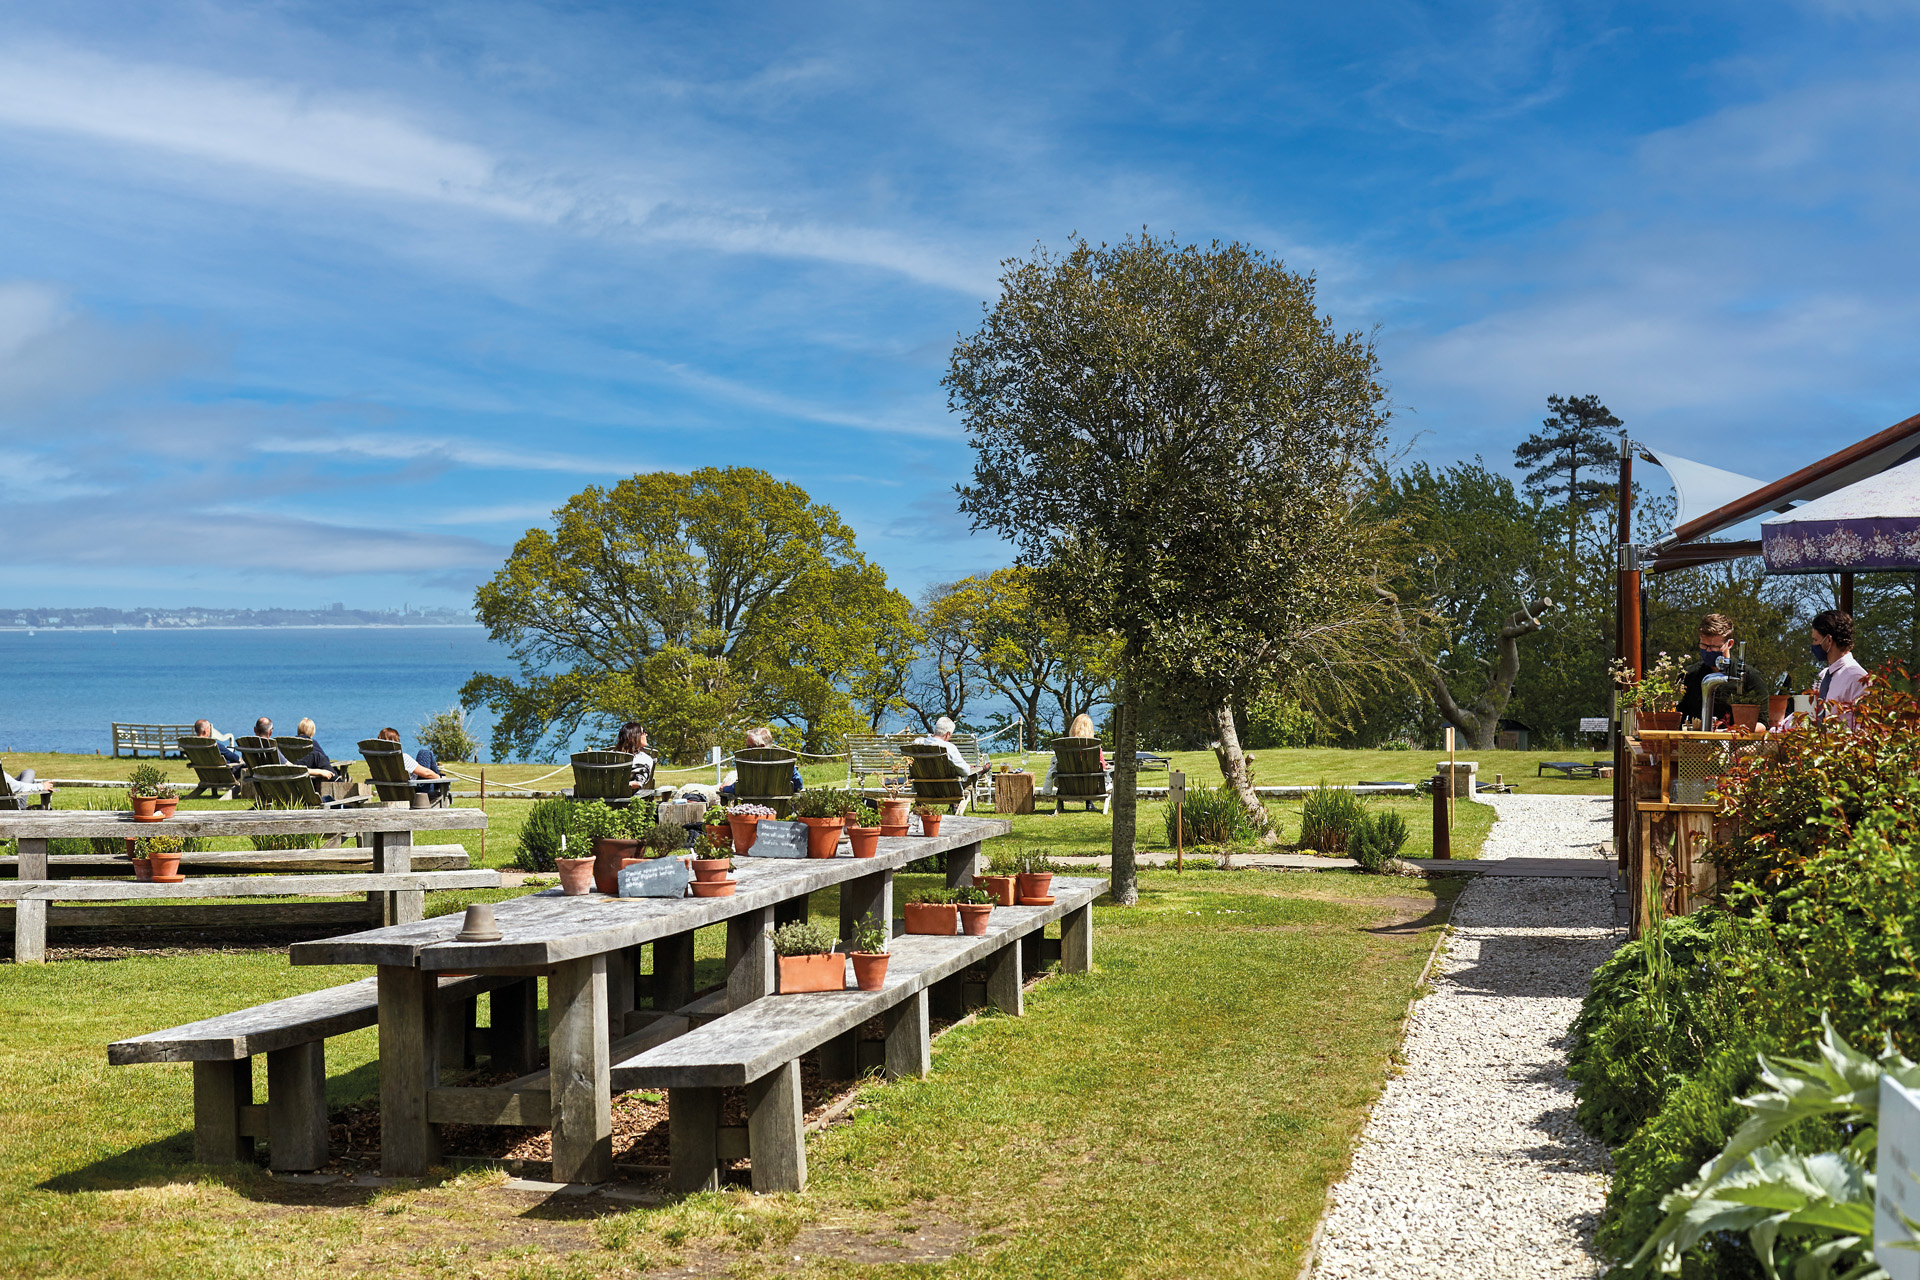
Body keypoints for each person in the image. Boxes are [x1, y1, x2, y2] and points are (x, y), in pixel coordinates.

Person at [1678, 613, 1764, 726]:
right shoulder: (1689, 675)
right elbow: (1676, 718)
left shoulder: (1750, 676)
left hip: (1734, 742)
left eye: (1714, 647)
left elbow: (1762, 723)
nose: (1708, 651)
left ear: (1730, 644)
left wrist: (1731, 731)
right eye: (1704, 645)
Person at [1810, 609, 1868, 724]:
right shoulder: (1823, 675)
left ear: (1829, 640)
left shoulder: (1857, 678)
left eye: (1816, 640)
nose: (1813, 645)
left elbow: (1862, 728)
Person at [718, 726, 802, 799]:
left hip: (751, 811)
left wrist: (724, 788)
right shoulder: (784, 762)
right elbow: (798, 784)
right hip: (781, 810)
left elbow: (741, 787)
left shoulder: (748, 765)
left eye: (749, 747)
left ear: (761, 747)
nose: (746, 750)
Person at [614, 721, 657, 792]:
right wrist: (622, 786)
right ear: (635, 736)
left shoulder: (611, 756)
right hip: (628, 797)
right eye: (644, 732)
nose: (646, 735)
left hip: (601, 797)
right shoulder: (644, 759)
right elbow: (638, 782)